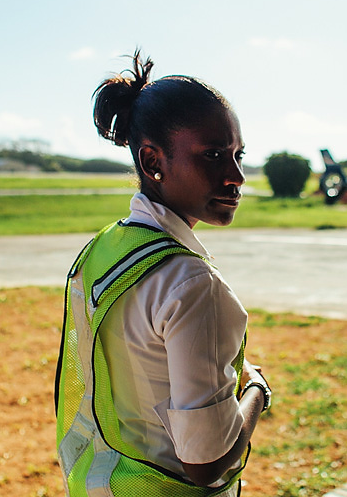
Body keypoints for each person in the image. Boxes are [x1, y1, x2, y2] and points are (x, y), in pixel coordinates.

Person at [55, 50, 270, 497]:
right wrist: (257, 392)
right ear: (153, 162)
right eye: (213, 155)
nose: (237, 176)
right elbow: (207, 463)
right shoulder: (193, 286)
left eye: (238, 155)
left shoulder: (102, 250)